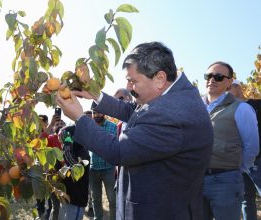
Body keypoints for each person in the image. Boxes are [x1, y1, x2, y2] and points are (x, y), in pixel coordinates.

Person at [56, 41, 213, 219]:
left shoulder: (173, 114)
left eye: (132, 81)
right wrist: (95, 95)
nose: (129, 87)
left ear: (160, 78)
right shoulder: (172, 95)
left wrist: (79, 117)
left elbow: (118, 151)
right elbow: (134, 111)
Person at [202, 61, 259, 220]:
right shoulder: (196, 108)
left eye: (218, 77)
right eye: (208, 76)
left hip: (226, 182)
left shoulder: (241, 109)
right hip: (196, 180)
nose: (212, 80)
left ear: (229, 82)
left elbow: (251, 147)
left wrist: (235, 169)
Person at [229, 80, 261, 220]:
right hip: (239, 164)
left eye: (229, 88)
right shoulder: (230, 110)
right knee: (246, 201)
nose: (226, 92)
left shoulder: (257, 104)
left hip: (258, 160)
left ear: (237, 87)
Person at [57, 124, 90, 220]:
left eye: (63, 138)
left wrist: (67, 147)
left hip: (77, 199)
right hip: (67, 197)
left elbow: (75, 169)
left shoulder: (82, 152)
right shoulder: (67, 150)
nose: (61, 141)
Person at [89, 109, 117, 220]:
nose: (96, 115)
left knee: (112, 199)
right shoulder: (89, 127)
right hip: (93, 168)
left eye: (99, 112)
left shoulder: (112, 127)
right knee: (95, 199)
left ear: (104, 113)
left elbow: (116, 145)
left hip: (108, 168)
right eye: (94, 113)